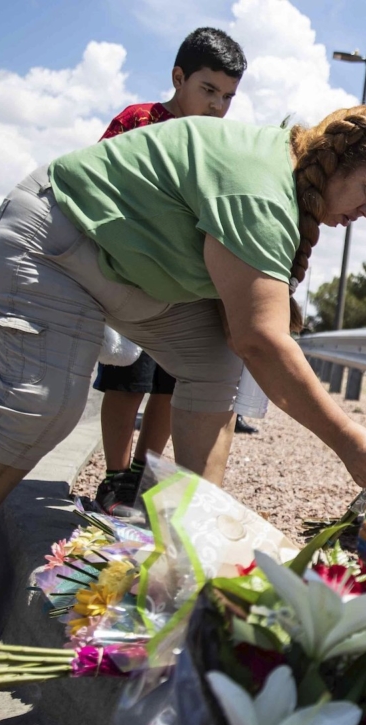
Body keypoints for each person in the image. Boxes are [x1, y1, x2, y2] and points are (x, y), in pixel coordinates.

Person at [0, 105, 366, 646]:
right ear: (337, 163)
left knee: (215, 365)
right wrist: (349, 440)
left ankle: (187, 556)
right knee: (46, 402)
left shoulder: (283, 184)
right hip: (56, 241)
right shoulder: (259, 188)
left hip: (129, 272)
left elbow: (242, 338)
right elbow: (262, 340)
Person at [90, 27, 249, 518]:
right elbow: (99, 177)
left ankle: (143, 474)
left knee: (167, 383)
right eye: (208, 90)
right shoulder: (141, 121)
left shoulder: (216, 143)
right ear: (178, 77)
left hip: (182, 286)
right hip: (130, 276)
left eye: (227, 97)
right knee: (127, 381)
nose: (218, 106)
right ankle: (115, 477)